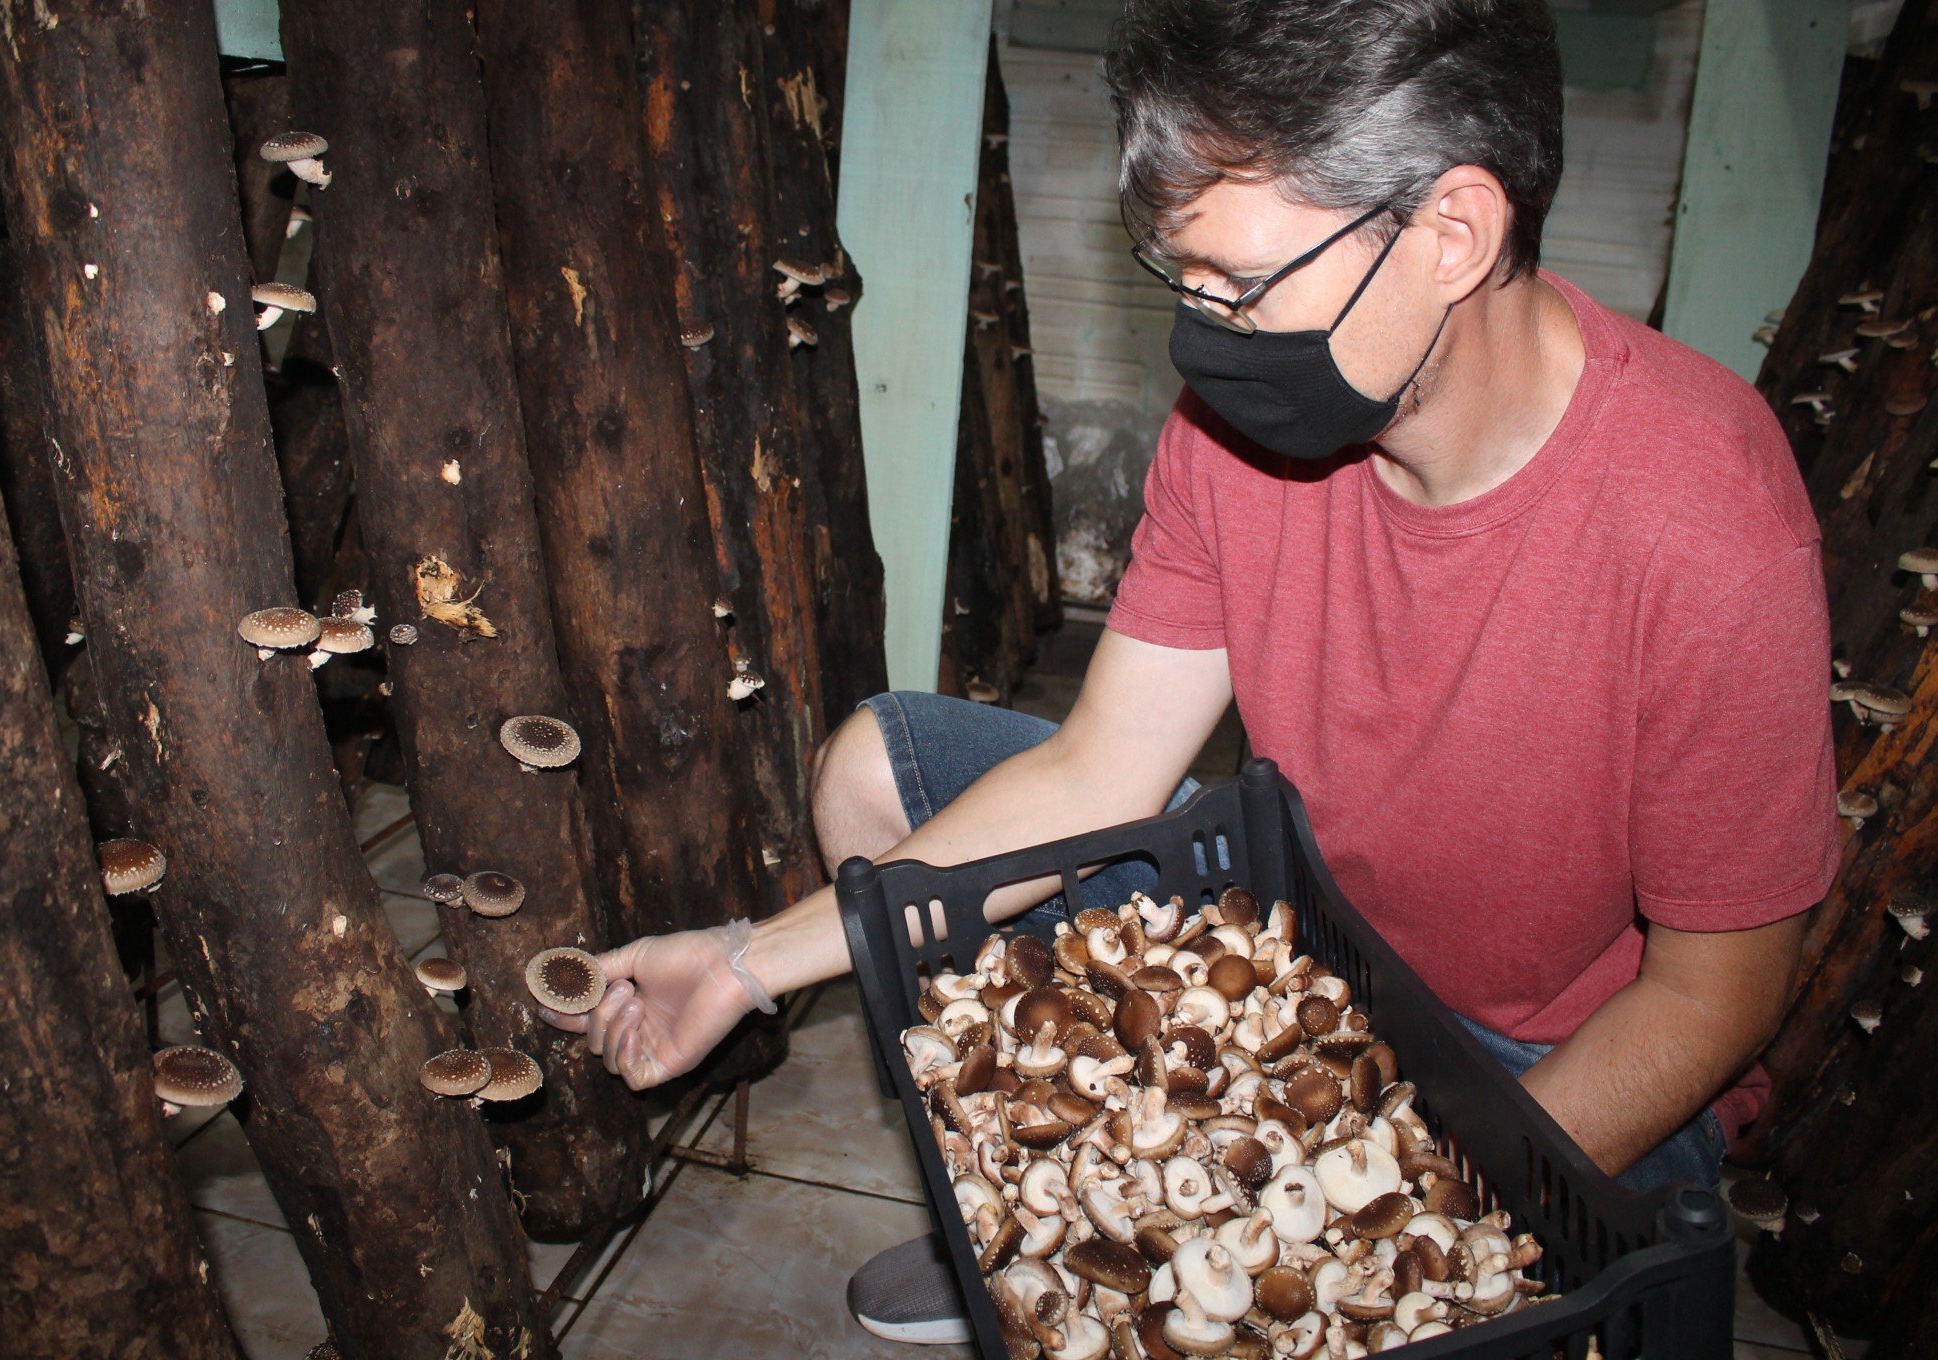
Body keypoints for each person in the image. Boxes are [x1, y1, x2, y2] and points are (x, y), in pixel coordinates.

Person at [544, 0, 1841, 1345]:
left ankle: (1163, 1233)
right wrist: (753, 965)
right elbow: (1101, 768)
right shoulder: (1238, 429)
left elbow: (1718, 991)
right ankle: (1043, 1217)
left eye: (1243, 285)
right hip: (1295, 948)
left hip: (1550, 1058)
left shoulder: (1704, 516)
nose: (1209, 339)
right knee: (877, 771)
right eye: (1187, 284)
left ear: (1453, 231)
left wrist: (1390, 1200)